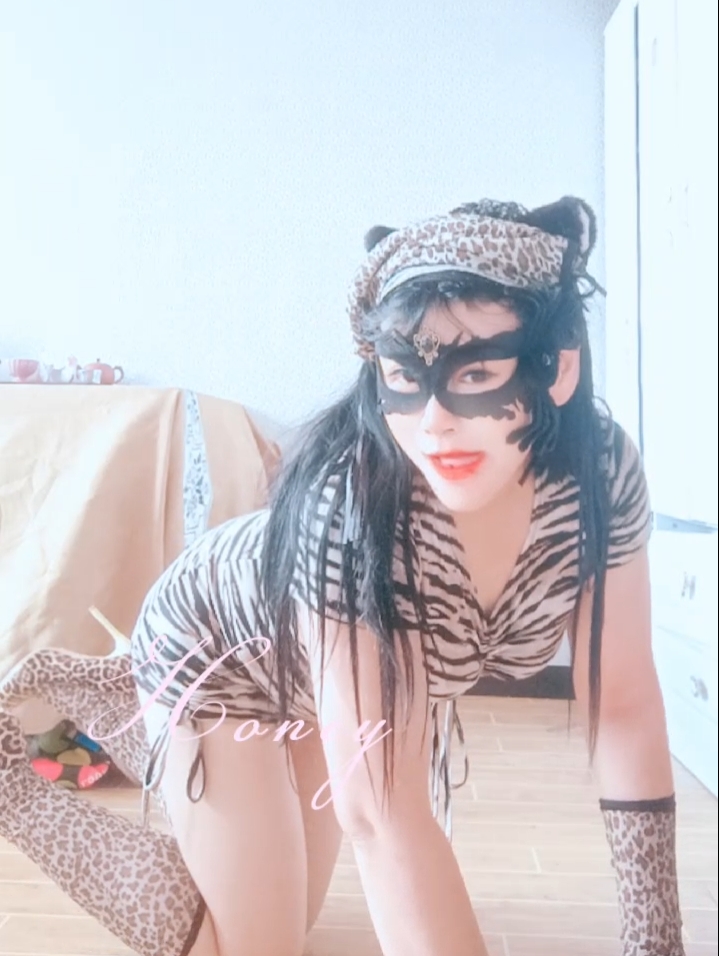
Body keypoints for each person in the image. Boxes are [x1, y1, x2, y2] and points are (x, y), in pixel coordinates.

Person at [0, 196, 686, 956]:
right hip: (215, 652)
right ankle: (44, 806)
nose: (434, 421)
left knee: (290, 917)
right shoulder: (351, 504)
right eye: (404, 376)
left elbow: (623, 706)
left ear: (558, 366)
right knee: (261, 945)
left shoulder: (598, 473)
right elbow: (382, 812)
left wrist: (655, 943)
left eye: (476, 373)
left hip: (316, 679)